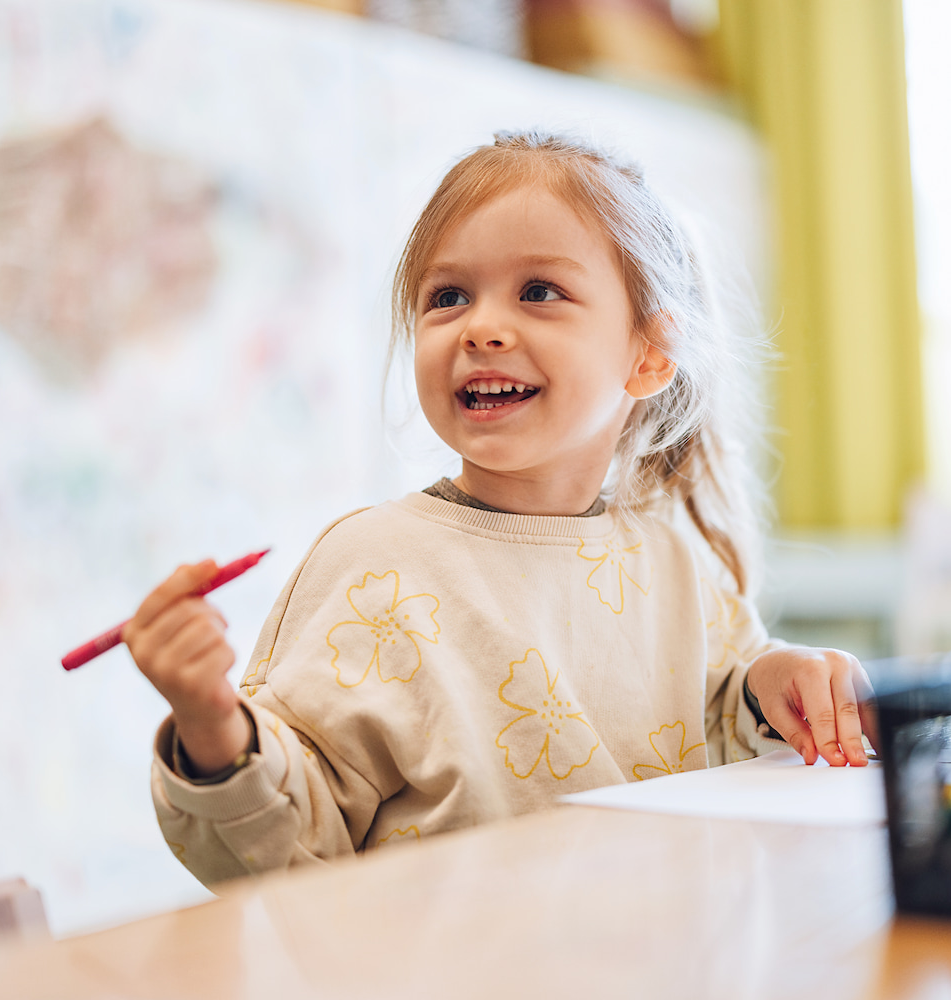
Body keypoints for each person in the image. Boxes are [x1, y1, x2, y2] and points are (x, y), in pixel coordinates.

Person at [126, 132, 878, 889]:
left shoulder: (673, 564)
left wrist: (776, 679)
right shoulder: (372, 567)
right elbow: (283, 846)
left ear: (649, 355)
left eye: (539, 292)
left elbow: (728, 718)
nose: (481, 327)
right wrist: (213, 727)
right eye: (447, 297)